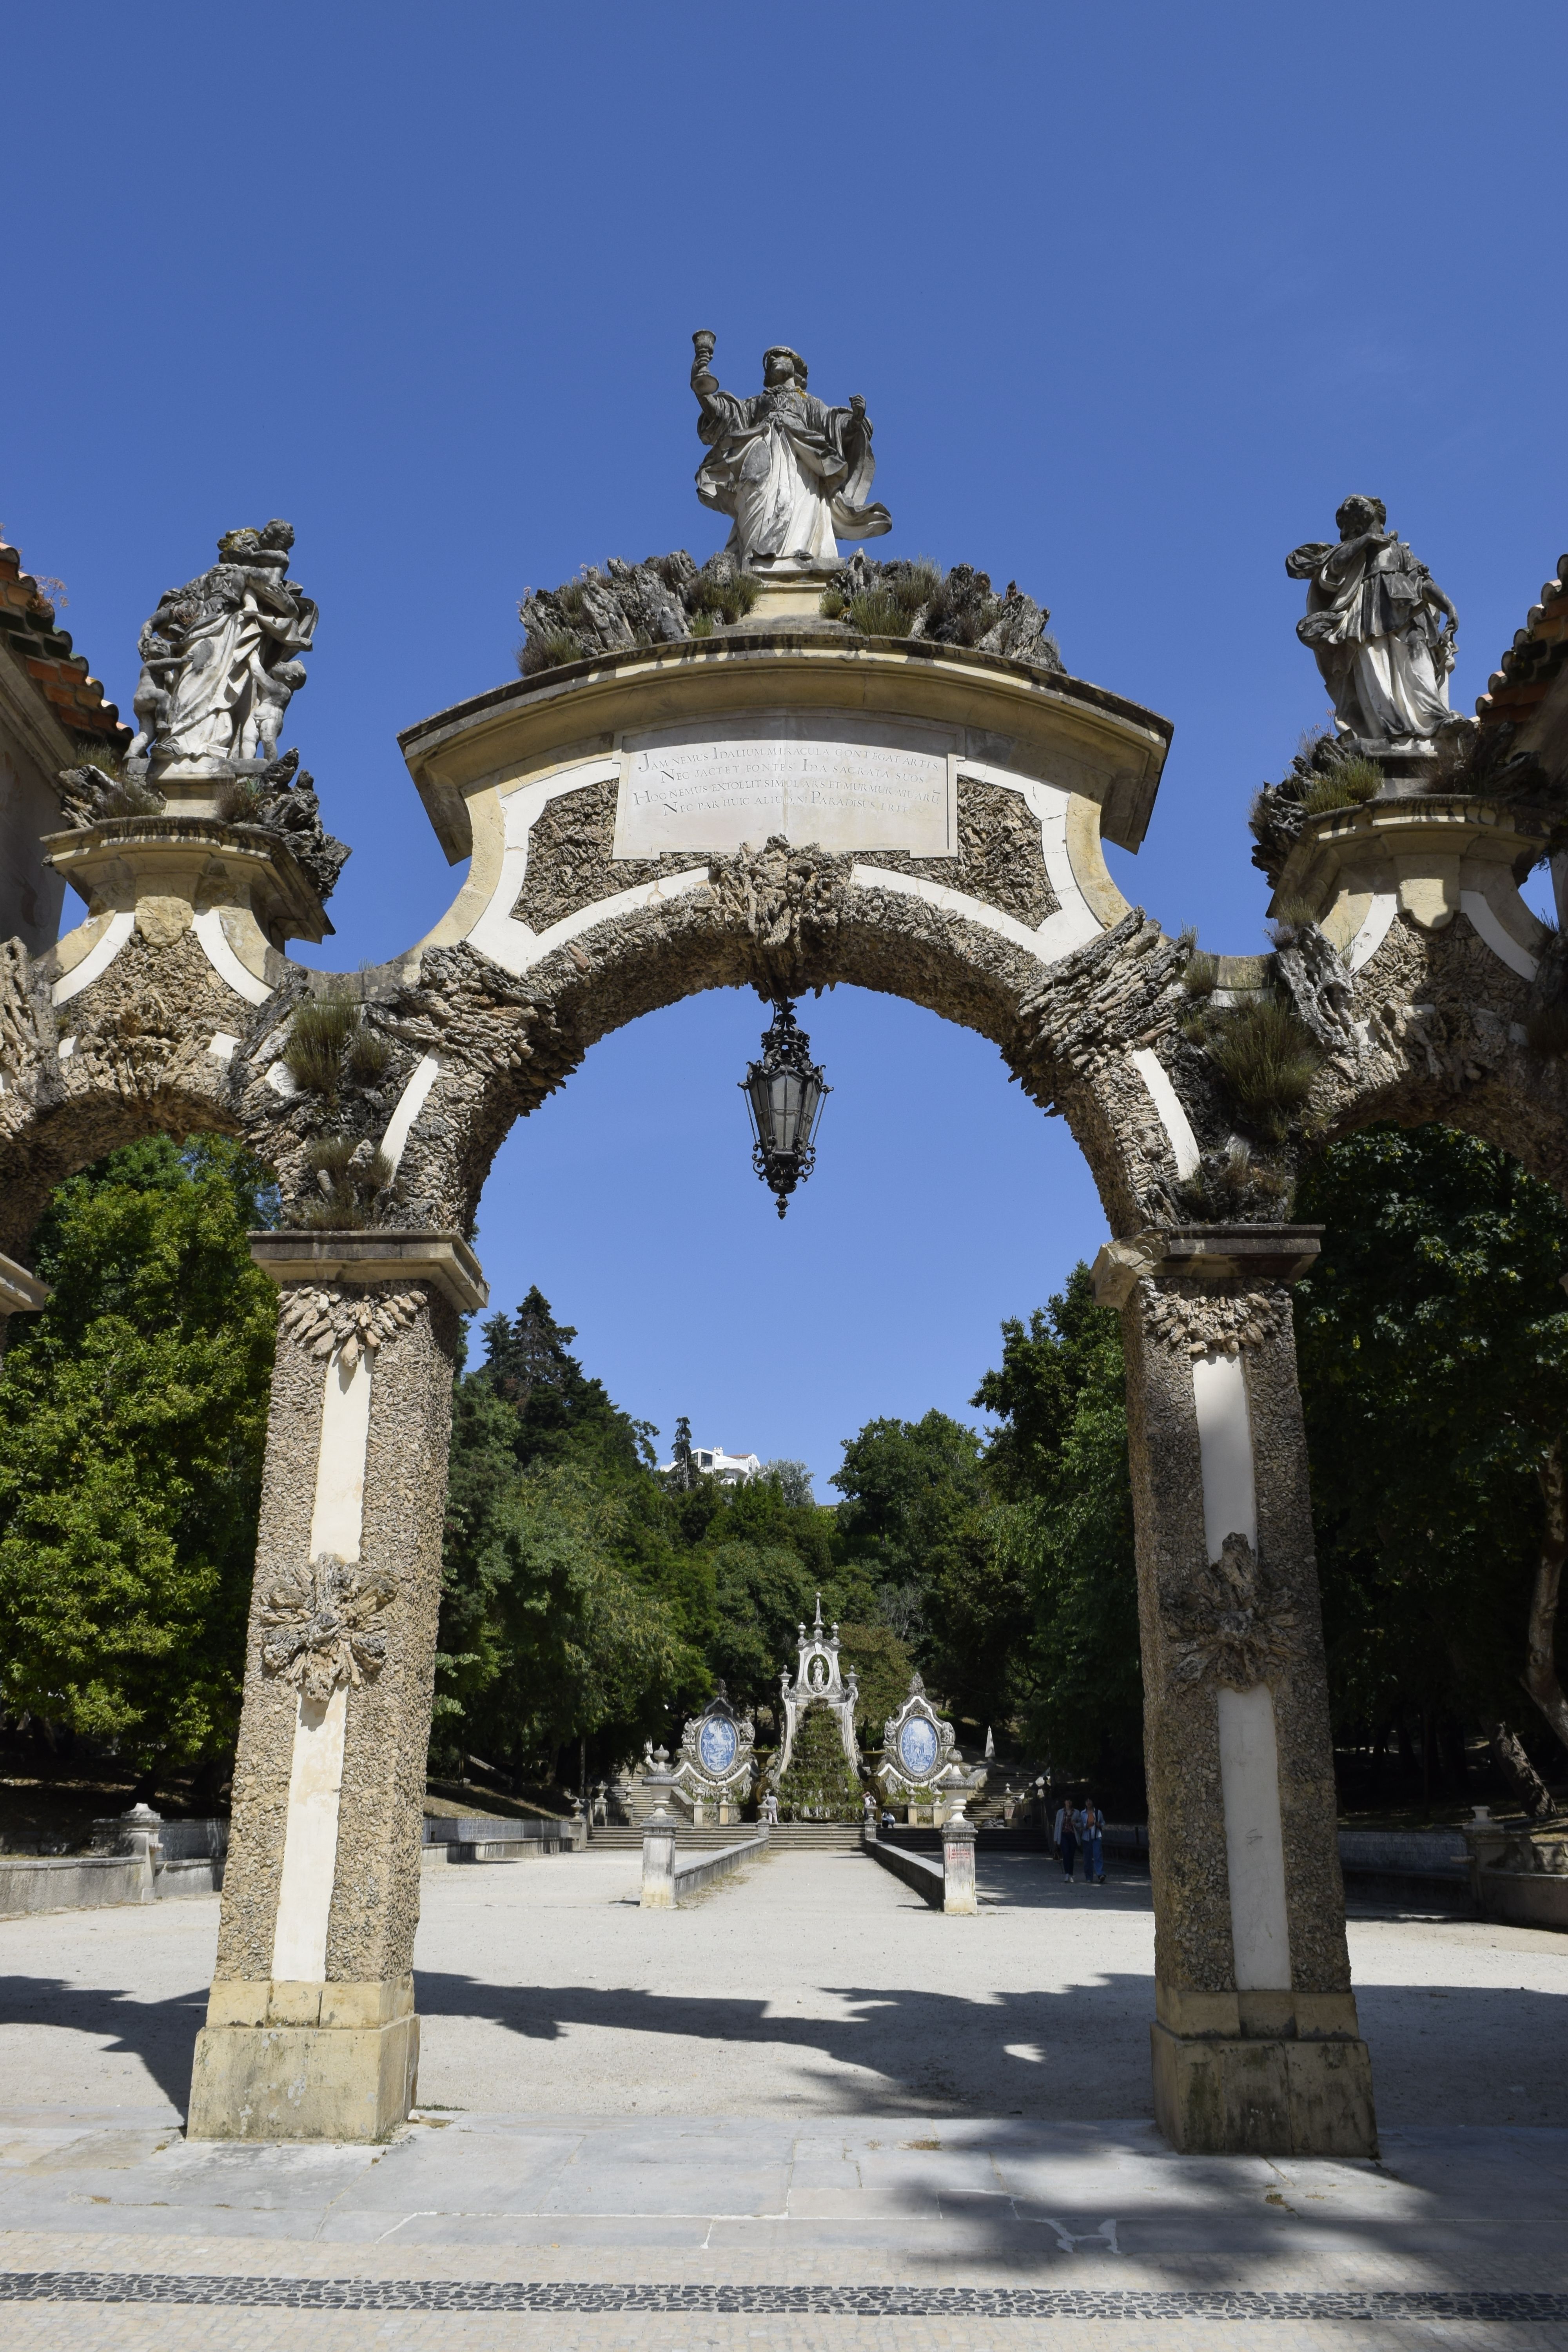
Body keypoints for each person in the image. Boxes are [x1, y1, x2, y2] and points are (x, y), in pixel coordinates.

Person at [691, 334, 891, 572]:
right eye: (770, 359)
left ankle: (797, 553)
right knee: (753, 490)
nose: (774, 359)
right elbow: (726, 415)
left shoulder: (808, 403)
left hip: (801, 459)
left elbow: (833, 425)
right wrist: (702, 389)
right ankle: (755, 556)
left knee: (797, 499)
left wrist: (856, 420)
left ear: (795, 367)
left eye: (781, 356)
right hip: (763, 450)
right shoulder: (757, 403)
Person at [1286, 495, 1459, 751]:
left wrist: (1449, 607)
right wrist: (1365, 542)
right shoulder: (1351, 552)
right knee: (1377, 670)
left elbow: (1423, 582)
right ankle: (1393, 733)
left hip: (1405, 607)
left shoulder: (1399, 550)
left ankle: (1436, 720)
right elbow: (1329, 572)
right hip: (1367, 613)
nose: (1373, 525)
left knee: (1418, 660)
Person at [1081, 1798, 1105, 1886]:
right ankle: (1089, 1876)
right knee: (1087, 1857)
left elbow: (1103, 1822)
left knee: (1098, 1855)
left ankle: (1100, 1874)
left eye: (1090, 1800)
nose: (1089, 1802)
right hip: (1086, 1836)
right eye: (1087, 1801)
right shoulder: (1082, 1813)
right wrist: (1086, 1826)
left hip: (1097, 1835)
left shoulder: (1098, 1812)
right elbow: (1081, 1824)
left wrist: (1100, 1825)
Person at [1053, 1798, 1077, 1882]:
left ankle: (1071, 1874)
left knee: (1071, 1855)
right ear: (1065, 1802)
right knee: (1066, 1853)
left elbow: (1081, 1824)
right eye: (1067, 1800)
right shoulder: (1060, 1812)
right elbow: (1057, 1825)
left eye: (1070, 1800)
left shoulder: (1076, 1812)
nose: (1069, 1802)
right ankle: (1067, 1874)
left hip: (1073, 1835)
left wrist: (1076, 1824)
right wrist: (1056, 1838)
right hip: (1063, 1835)